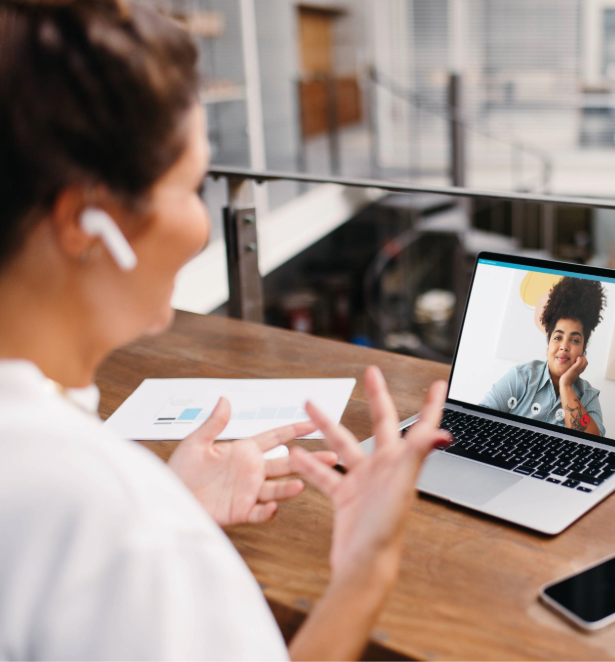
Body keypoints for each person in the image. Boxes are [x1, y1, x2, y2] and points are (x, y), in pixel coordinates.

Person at [0, 1, 449, 659]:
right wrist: (368, 565)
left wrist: (176, 501)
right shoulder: (118, 523)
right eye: (192, 186)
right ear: (84, 222)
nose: (206, 222)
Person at [480, 277, 607, 436]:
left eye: (574, 340)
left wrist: (566, 385)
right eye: (557, 337)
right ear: (548, 344)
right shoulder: (521, 377)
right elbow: (479, 419)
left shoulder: (588, 396)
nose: (564, 346)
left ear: (583, 349)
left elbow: (593, 445)